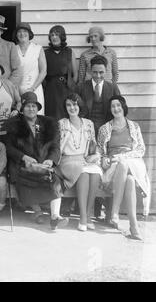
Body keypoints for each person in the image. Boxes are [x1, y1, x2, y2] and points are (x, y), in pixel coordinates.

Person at [4, 92, 68, 230]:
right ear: (22, 108)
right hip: (23, 164)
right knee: (25, 179)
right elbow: (8, 147)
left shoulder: (49, 123)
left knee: (55, 178)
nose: (31, 109)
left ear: (38, 108)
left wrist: (50, 160)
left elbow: (55, 146)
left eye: (33, 106)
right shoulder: (14, 124)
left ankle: (55, 216)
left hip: (44, 164)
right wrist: (24, 157)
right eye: (27, 106)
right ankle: (37, 212)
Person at [97, 95, 151, 240]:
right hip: (114, 166)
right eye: (113, 106)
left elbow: (140, 149)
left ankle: (114, 212)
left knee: (123, 163)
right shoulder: (104, 129)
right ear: (110, 110)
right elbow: (100, 151)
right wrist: (104, 159)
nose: (116, 108)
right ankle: (134, 228)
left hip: (133, 161)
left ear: (123, 107)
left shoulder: (134, 126)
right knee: (130, 180)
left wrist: (124, 157)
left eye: (118, 105)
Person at [57, 93, 102, 231]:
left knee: (94, 172)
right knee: (83, 172)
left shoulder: (88, 124)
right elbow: (58, 147)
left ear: (80, 105)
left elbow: (93, 146)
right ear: (65, 108)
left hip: (83, 159)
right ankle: (83, 217)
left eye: (75, 104)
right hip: (67, 160)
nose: (72, 107)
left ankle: (88, 216)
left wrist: (95, 156)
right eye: (69, 105)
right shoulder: (62, 123)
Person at [77, 55, 120, 135]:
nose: (98, 76)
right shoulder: (81, 87)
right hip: (86, 128)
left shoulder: (112, 87)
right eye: (95, 72)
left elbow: (121, 109)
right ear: (90, 71)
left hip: (107, 127)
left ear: (106, 71)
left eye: (101, 72)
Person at [44, 25, 78, 119]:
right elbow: (42, 73)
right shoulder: (45, 53)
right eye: (52, 35)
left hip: (65, 88)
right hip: (51, 90)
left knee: (65, 114)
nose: (54, 37)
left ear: (62, 36)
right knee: (51, 115)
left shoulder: (69, 52)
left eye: (56, 34)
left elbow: (75, 74)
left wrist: (70, 87)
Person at [13, 22, 47, 115]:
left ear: (29, 34)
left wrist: (32, 88)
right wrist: (17, 90)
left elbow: (43, 71)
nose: (22, 34)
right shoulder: (13, 49)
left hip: (35, 88)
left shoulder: (38, 48)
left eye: (25, 31)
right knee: (21, 119)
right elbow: (12, 72)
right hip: (18, 91)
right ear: (16, 34)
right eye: (19, 32)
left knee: (37, 118)